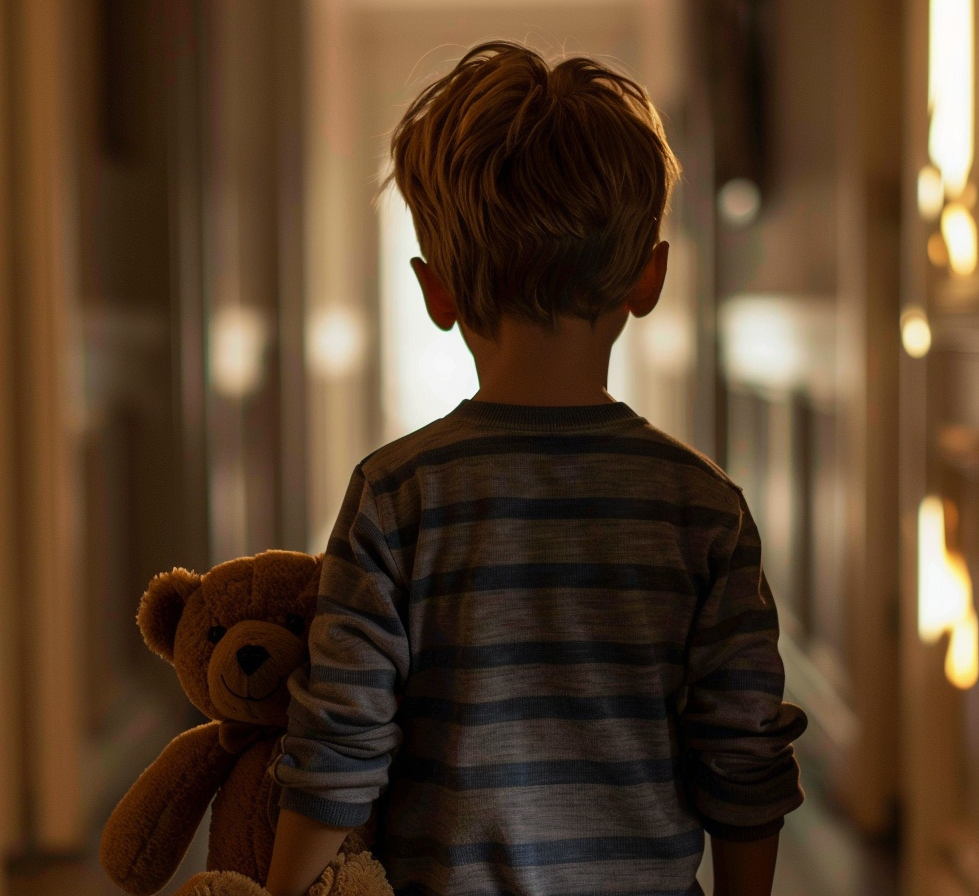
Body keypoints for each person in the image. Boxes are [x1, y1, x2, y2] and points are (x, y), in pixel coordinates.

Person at [265, 41, 807, 896]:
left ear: (434, 291)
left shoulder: (397, 497)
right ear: (649, 277)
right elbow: (743, 755)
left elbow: (341, 744)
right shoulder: (704, 509)